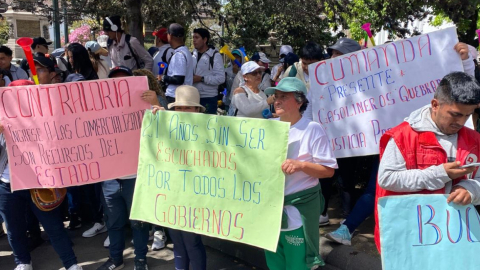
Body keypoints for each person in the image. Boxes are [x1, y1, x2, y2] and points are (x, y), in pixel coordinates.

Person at [374, 71, 480, 253]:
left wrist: (471, 189)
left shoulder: (475, 139)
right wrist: (440, 174)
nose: (461, 121)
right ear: (435, 105)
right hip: (410, 237)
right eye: (455, 114)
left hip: (455, 236)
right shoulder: (403, 136)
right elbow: (387, 179)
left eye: (467, 115)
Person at [0, 79, 83, 270]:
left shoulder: (47, 119)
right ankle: (22, 262)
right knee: (13, 228)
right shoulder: (2, 120)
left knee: (54, 227)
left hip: (40, 182)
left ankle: (71, 264)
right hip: (8, 183)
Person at [263, 77, 337, 269]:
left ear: (299, 101)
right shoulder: (267, 129)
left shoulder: (312, 129)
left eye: (283, 96)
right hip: (269, 211)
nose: (276, 100)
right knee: (274, 263)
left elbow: (328, 171)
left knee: (297, 264)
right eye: (276, 96)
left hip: (297, 211)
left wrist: (301, 165)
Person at [96, 66, 156, 270]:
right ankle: (116, 259)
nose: (119, 86)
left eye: (125, 81)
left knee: (138, 222)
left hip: (135, 176)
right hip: (110, 178)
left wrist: (155, 103)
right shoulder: (99, 110)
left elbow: (163, 126)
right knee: (113, 222)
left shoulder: (146, 104)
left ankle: (140, 259)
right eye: (114, 82)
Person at [151, 85, 208, 270]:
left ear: (197, 110)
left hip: (194, 196)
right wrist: (157, 119)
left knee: (191, 242)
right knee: (178, 242)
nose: (183, 111)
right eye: (179, 108)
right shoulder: (167, 126)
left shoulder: (209, 132)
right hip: (172, 194)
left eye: (188, 107)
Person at [192, 28, 225, 114]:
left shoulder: (215, 55)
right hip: (193, 96)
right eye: (193, 37)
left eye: (197, 37)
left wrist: (202, 79)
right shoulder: (192, 54)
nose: (194, 40)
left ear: (205, 39)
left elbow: (221, 78)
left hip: (208, 98)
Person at [158, 23, 194, 103]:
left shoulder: (179, 55)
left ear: (170, 35)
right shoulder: (185, 52)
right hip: (182, 95)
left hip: (175, 96)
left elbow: (179, 79)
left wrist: (163, 78)